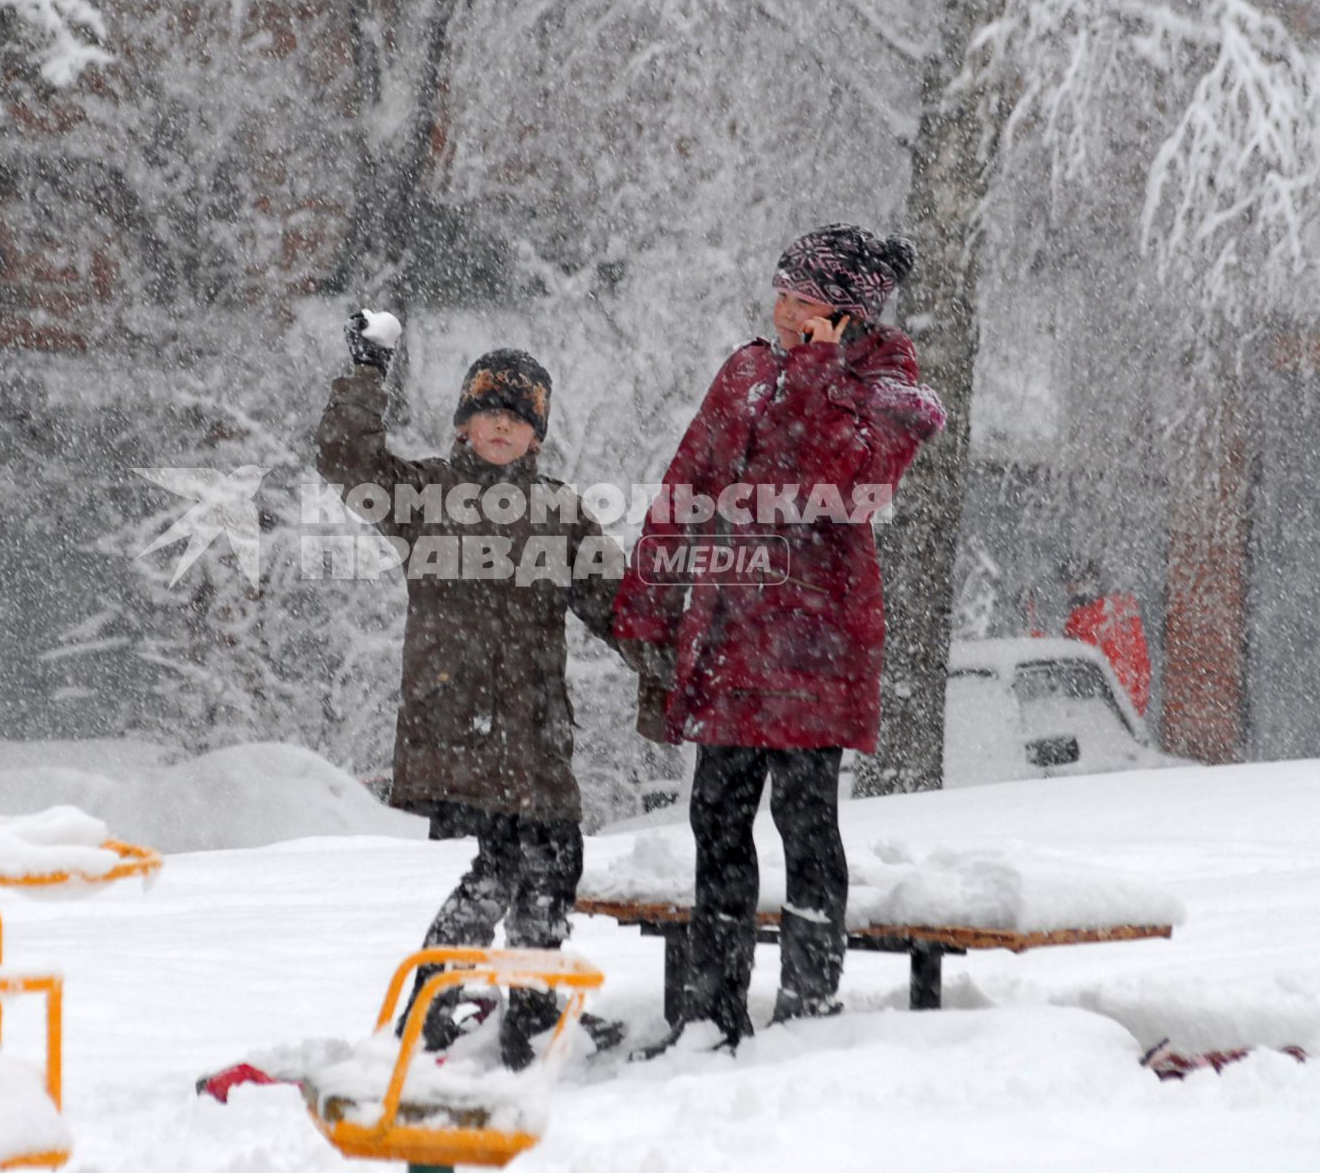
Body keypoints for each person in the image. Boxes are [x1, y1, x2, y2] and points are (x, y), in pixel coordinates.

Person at [613, 224, 947, 1050]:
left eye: (803, 299)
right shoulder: (744, 370)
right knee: (715, 819)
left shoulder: (886, 389)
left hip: (815, 643)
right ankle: (710, 1010)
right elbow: (685, 484)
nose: (782, 308)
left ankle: (807, 1007)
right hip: (732, 633)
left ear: (844, 314)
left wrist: (813, 370)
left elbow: (843, 488)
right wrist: (648, 602)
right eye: (783, 291)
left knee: (805, 821)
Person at [314, 312, 628, 1068]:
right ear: (462, 424)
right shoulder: (426, 497)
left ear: (536, 435)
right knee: (507, 864)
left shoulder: (559, 513)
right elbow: (346, 460)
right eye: (486, 411)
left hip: (536, 727)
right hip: (460, 724)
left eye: (515, 417)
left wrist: (690, 667)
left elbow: (622, 608)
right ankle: (441, 1011)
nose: (499, 426)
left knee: (552, 859)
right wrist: (365, 372)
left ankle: (528, 1008)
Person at [1061, 557, 1152, 717]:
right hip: (1126, 707)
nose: (1067, 591)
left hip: (1104, 710)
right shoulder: (1122, 612)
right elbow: (1141, 663)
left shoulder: (1086, 620)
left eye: (1070, 584)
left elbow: (1072, 659)